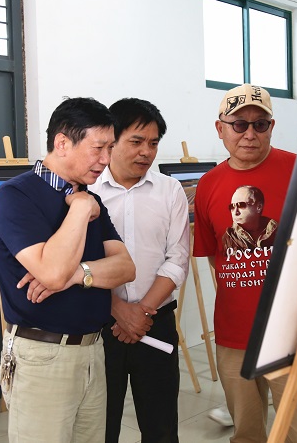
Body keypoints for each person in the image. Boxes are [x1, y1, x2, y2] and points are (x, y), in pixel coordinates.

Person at [0, 97, 136, 443]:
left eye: (110, 148)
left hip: (92, 350)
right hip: (42, 355)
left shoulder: (89, 197)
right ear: (62, 143)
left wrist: (77, 275)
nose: (106, 159)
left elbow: (125, 267)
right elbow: (52, 273)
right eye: (98, 148)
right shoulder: (16, 196)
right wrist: (80, 209)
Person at [193, 84, 297, 442]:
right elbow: (217, 258)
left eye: (260, 124)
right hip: (234, 332)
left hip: (291, 329)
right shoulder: (208, 185)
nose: (249, 134)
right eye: (239, 124)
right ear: (220, 128)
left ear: (271, 127)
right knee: (246, 432)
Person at [88, 98, 190, 443]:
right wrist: (118, 309)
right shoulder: (87, 191)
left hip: (156, 321)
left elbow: (177, 258)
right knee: (100, 427)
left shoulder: (170, 191)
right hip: (100, 324)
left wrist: (142, 311)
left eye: (153, 143)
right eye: (136, 141)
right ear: (112, 140)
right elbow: (77, 264)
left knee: (161, 426)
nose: (146, 152)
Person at [222, 185, 277, 253]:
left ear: (259, 207)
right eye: (232, 207)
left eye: (241, 205)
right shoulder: (228, 237)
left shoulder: (278, 232)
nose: (235, 212)